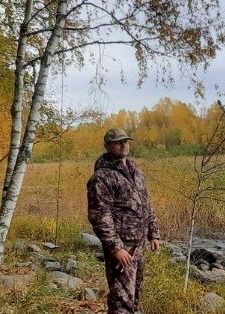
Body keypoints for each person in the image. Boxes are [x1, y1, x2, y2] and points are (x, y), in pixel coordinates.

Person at [87, 128, 162, 314]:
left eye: (126, 141)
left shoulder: (136, 172)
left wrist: (154, 233)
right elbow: (100, 215)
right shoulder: (102, 177)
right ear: (107, 146)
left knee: (134, 296)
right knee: (121, 300)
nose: (124, 144)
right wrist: (115, 247)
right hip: (122, 248)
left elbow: (146, 204)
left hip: (139, 245)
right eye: (118, 141)